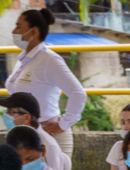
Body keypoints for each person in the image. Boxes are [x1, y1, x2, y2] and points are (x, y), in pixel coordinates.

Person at [6, 9, 87, 158]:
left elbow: (78, 93)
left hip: (50, 135)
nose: (14, 31)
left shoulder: (49, 60)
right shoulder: (23, 60)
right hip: (25, 135)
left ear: (34, 32)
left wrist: (64, 124)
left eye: (18, 26)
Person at [0, 92, 66, 170]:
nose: (6, 115)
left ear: (26, 118)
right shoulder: (13, 139)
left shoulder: (48, 146)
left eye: (11, 111)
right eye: (7, 110)